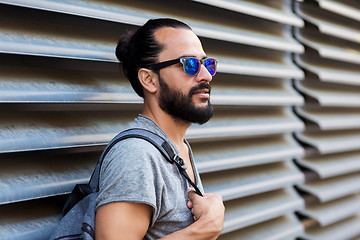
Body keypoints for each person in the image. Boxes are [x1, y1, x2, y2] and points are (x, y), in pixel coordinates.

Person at [95, 18, 225, 240]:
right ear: (149, 80)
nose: (206, 75)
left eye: (207, 63)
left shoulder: (175, 145)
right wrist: (203, 229)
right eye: (189, 64)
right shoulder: (137, 155)